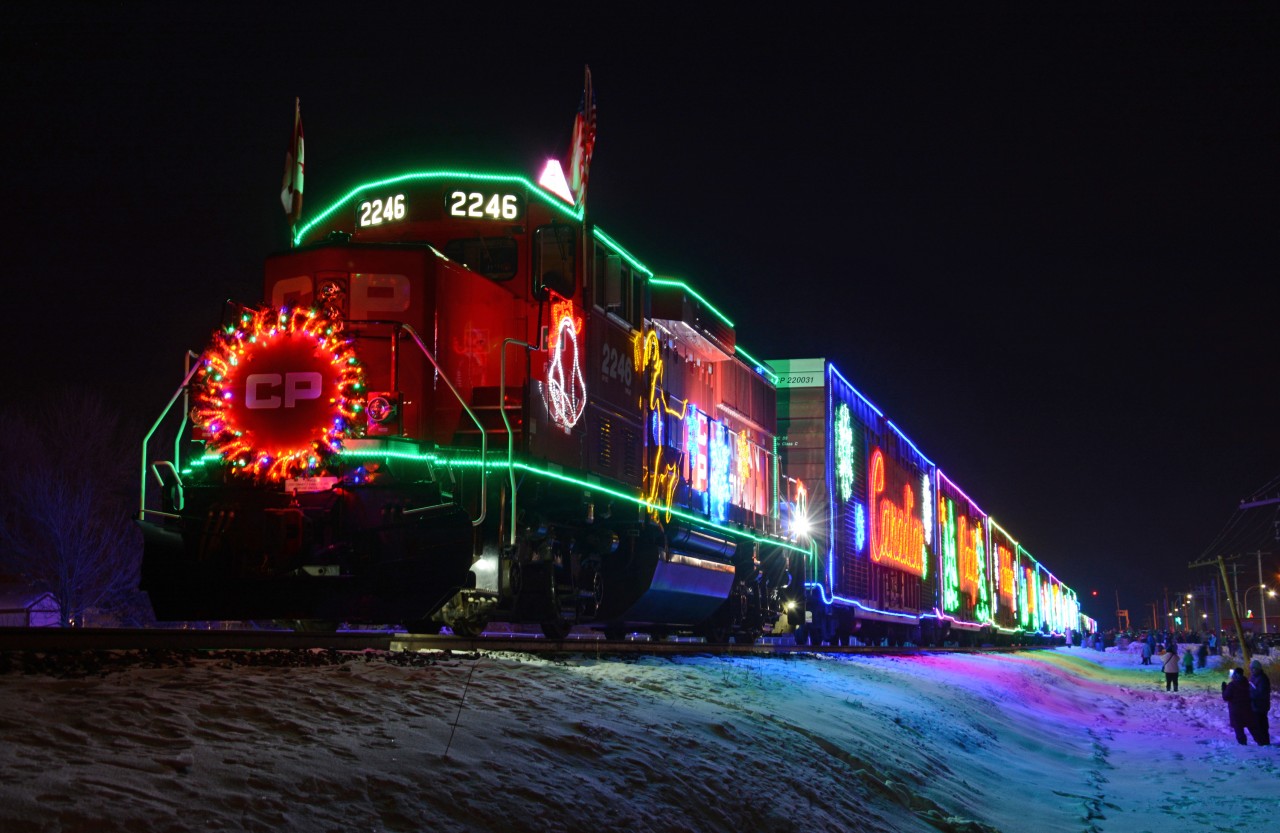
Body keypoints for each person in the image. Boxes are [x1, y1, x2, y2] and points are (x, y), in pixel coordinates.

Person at [1223, 668, 1254, 744]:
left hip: (1235, 710)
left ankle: (1242, 744)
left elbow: (1226, 697)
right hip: (1247, 708)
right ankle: (1261, 741)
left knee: (1238, 728)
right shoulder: (1247, 683)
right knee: (1251, 726)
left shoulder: (1232, 685)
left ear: (1236, 675)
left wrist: (1224, 689)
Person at [1248, 660, 1271, 746]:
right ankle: (1261, 741)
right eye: (1251, 668)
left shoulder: (1262, 678)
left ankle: (1264, 741)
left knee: (1261, 724)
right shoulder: (1253, 677)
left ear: (1258, 669)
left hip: (1260, 705)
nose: (1252, 670)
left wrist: (1250, 694)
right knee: (1258, 724)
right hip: (1255, 705)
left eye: (1254, 669)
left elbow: (1261, 693)